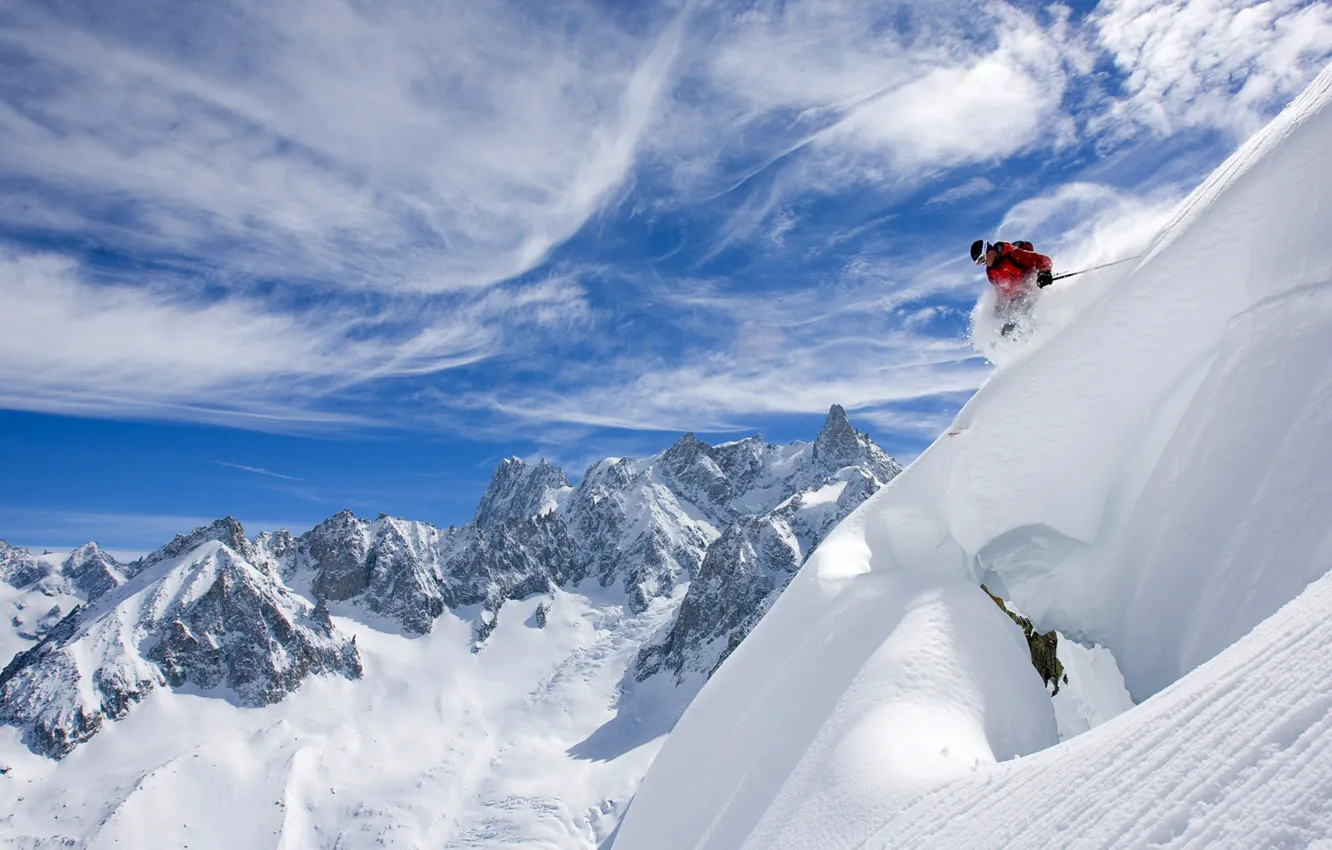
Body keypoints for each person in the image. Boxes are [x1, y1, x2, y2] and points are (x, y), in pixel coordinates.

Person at [969, 239, 1054, 336]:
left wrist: (1045, 273)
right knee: (1005, 331)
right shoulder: (990, 272)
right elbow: (1001, 291)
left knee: (1019, 322)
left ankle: (1039, 337)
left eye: (981, 259)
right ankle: (1010, 347)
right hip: (1016, 301)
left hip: (1032, 293)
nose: (982, 263)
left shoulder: (1013, 254)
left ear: (989, 251)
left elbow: (1042, 260)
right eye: (978, 263)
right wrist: (999, 306)